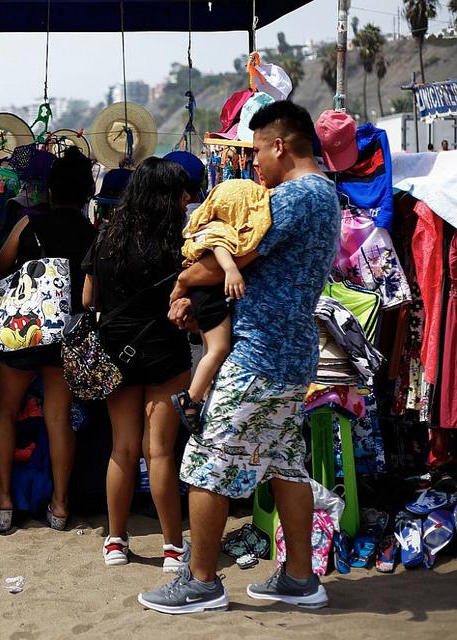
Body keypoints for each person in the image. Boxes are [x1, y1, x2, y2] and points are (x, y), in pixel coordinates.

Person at [139, 101, 341, 613]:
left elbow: (238, 255)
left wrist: (185, 279)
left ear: (280, 145)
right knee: (284, 464)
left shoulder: (295, 196)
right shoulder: (325, 194)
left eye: (255, 151)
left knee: (207, 461)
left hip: (260, 356)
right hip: (291, 353)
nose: (253, 164)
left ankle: (202, 583)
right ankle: (299, 577)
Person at [81, 158, 194, 570]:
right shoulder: (178, 242)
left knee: (123, 449)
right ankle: (172, 548)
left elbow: (87, 298)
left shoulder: (108, 236)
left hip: (116, 350)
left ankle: (115, 541)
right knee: (160, 452)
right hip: (165, 349)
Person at [0, 147, 97, 533]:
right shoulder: (92, 233)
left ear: (50, 190)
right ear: (86, 195)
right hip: (67, 335)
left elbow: (0, 267)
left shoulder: (29, 224)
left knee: (3, 412)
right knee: (58, 418)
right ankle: (61, 507)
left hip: (24, 330)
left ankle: (1, 503)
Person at [171, 180, 273, 432]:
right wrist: (230, 270)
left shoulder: (211, 225)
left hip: (204, 295)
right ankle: (191, 399)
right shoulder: (220, 229)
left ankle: (203, 397)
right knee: (219, 348)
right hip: (209, 295)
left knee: (210, 349)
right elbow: (220, 247)